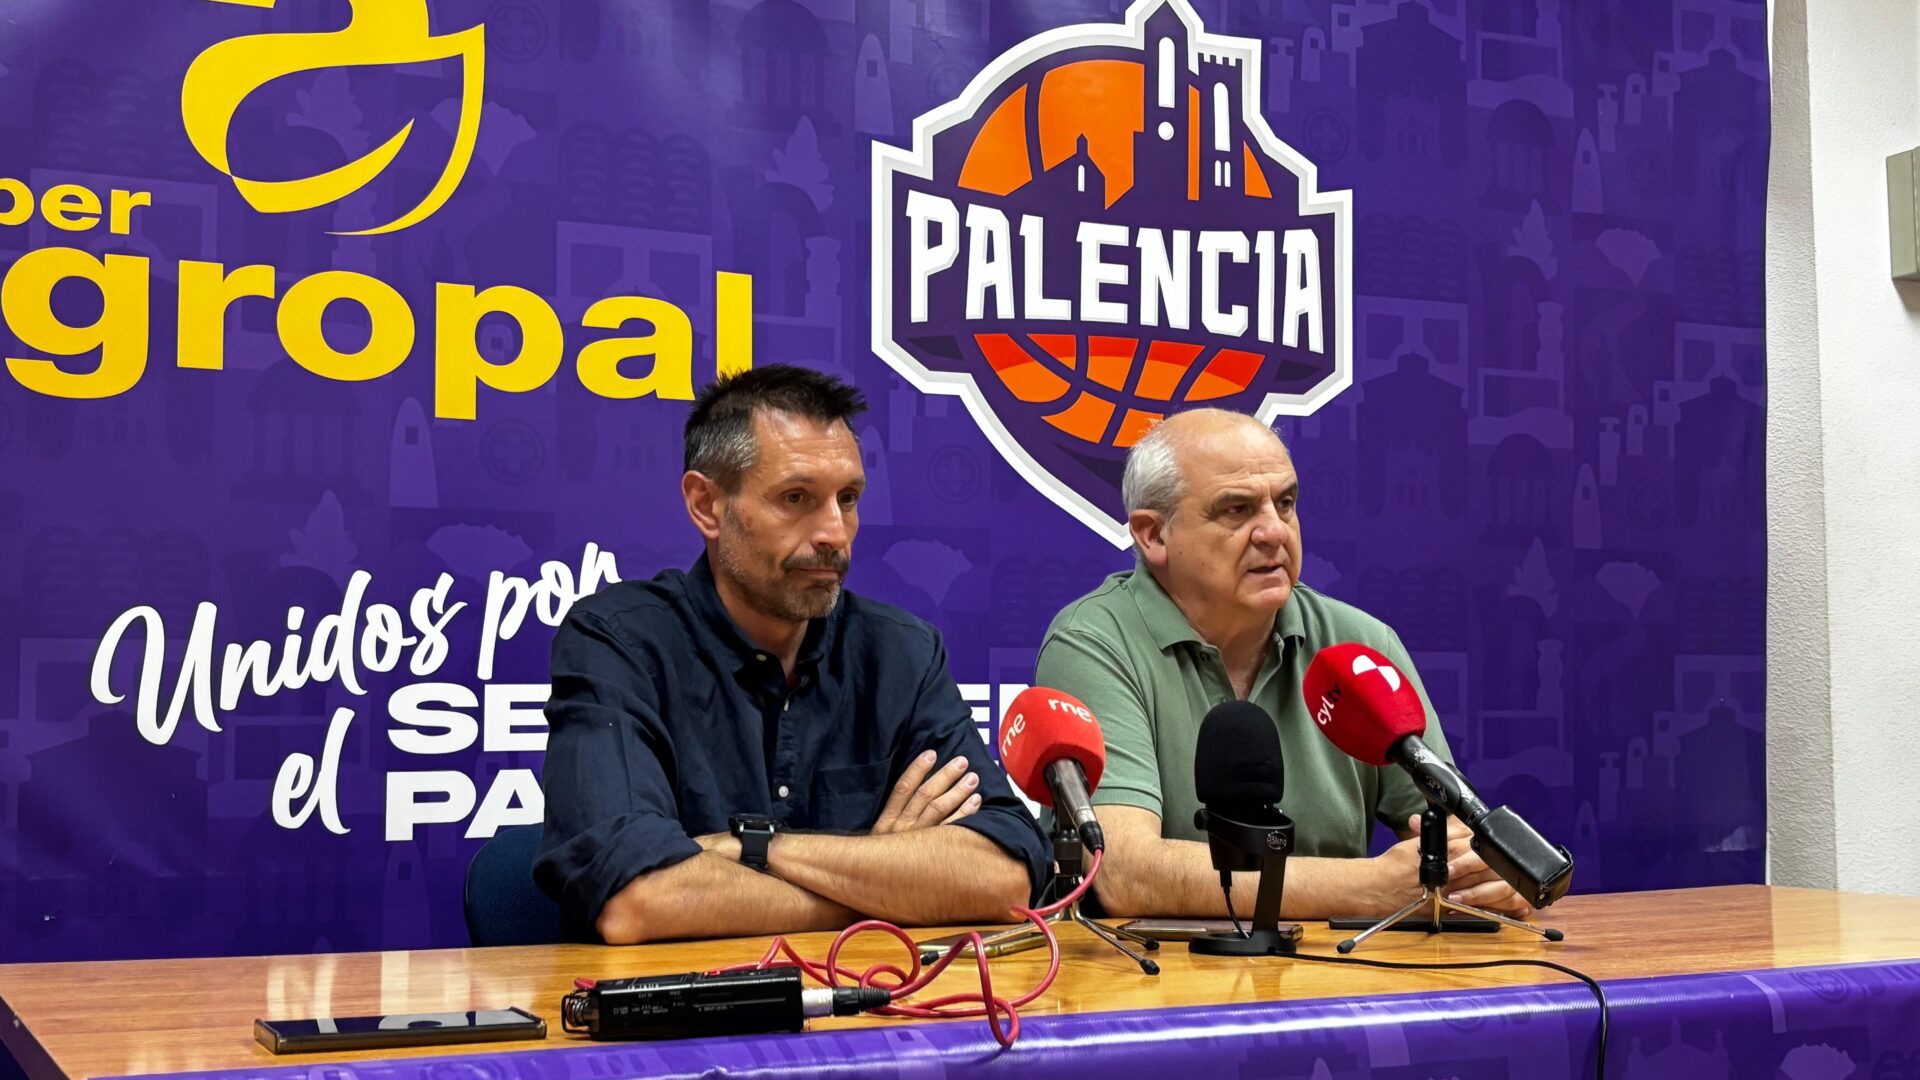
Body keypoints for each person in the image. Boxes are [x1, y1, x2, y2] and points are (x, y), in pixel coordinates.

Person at [537, 365, 1048, 944]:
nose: (835, 532)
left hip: (874, 1016)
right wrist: (885, 884)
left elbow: (1004, 879)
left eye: (848, 498)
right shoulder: (619, 642)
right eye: (796, 498)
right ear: (707, 504)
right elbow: (638, 898)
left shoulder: (902, 651)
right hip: (685, 1025)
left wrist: (753, 848)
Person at [1034, 409, 1534, 921]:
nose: (1274, 531)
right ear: (1153, 535)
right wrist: (1369, 887)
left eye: (1286, 503)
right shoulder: (1093, 642)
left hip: (1342, 982)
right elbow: (1123, 872)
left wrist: (1486, 877)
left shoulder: (1360, 642)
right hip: (1156, 986)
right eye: (1236, 510)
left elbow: (1456, 842)